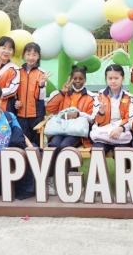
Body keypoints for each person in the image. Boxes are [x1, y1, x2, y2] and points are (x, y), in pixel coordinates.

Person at [45, 65, 95, 195]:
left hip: (76, 133)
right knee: (53, 145)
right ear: (71, 79)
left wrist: (79, 114)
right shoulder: (64, 93)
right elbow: (50, 108)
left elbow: (92, 118)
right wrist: (62, 93)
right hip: (60, 129)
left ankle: (73, 181)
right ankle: (51, 180)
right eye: (75, 78)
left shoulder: (90, 97)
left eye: (80, 78)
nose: (77, 81)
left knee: (65, 147)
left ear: (85, 80)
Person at [91, 64, 133, 152]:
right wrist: (101, 113)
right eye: (110, 78)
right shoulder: (99, 96)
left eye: (116, 78)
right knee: (97, 151)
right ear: (106, 79)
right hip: (103, 135)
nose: (113, 81)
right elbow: (96, 121)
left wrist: (120, 128)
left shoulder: (129, 97)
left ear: (122, 78)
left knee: (122, 154)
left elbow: (130, 119)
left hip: (121, 134)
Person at [14, 42, 49, 143]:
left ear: (38, 56)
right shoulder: (17, 71)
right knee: (23, 141)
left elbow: (41, 97)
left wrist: (41, 84)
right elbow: (13, 91)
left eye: (34, 54)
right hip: (20, 114)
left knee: (36, 143)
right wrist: (15, 102)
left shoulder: (42, 73)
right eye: (28, 54)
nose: (31, 57)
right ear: (23, 55)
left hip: (36, 115)